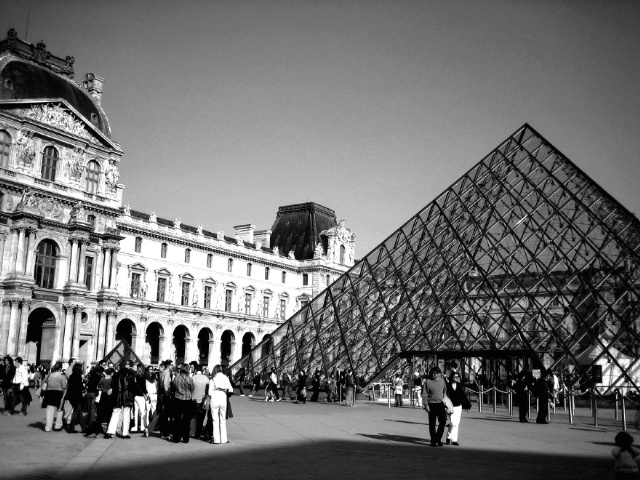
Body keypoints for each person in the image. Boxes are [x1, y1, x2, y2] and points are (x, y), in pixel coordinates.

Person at [105, 361, 135, 439]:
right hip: (127, 395)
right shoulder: (130, 374)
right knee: (126, 414)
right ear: (127, 366)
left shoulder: (116, 374)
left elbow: (112, 385)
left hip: (117, 395)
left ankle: (110, 432)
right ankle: (125, 433)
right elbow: (132, 386)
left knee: (115, 413)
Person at [423, 366, 447, 447]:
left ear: (439, 374)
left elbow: (445, 392)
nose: (433, 374)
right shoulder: (428, 382)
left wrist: (447, 403)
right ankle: (433, 440)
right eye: (432, 373)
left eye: (435, 373)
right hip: (431, 404)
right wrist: (426, 405)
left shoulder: (442, 381)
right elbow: (424, 395)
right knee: (432, 423)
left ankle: (438, 438)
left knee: (443, 421)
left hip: (441, 404)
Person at [209, 364, 232, 444]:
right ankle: (224, 439)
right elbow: (231, 390)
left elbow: (209, 392)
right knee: (223, 419)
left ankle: (216, 439)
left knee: (215, 419)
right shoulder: (226, 378)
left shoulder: (212, 379)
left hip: (215, 398)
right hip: (223, 398)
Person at [445, 371, 470, 446]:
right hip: (450, 406)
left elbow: (463, 396)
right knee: (452, 423)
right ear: (451, 377)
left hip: (458, 406)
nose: (457, 378)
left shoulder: (460, 386)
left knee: (456, 423)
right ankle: (449, 436)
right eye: (455, 377)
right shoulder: (447, 386)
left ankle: (454, 440)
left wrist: (467, 406)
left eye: (458, 377)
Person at [42, 362, 67, 432]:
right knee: (59, 409)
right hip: (59, 393)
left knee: (49, 410)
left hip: (49, 393)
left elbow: (43, 382)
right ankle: (57, 426)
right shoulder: (62, 376)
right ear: (60, 368)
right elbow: (64, 386)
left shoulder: (49, 375)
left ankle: (48, 427)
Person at [65, 363, 86, 433]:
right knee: (76, 412)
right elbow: (78, 387)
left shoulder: (71, 376)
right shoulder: (78, 376)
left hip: (71, 396)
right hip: (77, 396)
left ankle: (83, 427)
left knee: (79, 412)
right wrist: (82, 385)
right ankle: (71, 427)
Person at [191, 365, 209, 439]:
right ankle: (198, 433)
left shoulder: (192, 378)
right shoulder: (206, 378)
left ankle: (192, 432)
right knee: (201, 418)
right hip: (202, 400)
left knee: (193, 417)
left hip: (193, 400)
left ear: (195, 370)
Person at [131, 364, 149, 436]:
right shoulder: (143, 376)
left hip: (135, 395)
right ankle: (142, 426)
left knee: (136, 411)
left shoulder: (135, 376)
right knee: (142, 411)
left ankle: (135, 426)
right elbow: (144, 387)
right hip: (141, 396)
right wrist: (146, 394)